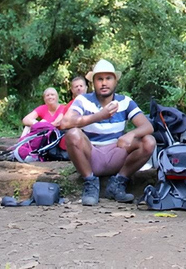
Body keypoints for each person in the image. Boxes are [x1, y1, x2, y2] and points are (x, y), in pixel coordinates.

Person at [60, 59, 155, 206]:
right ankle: (90, 182)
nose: (104, 83)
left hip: (116, 153)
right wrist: (99, 116)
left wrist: (131, 134)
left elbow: (147, 126)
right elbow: (65, 123)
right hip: (91, 154)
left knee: (148, 141)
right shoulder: (83, 100)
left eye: (108, 78)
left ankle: (118, 182)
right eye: (99, 79)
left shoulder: (125, 101)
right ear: (93, 82)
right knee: (72, 134)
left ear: (115, 81)